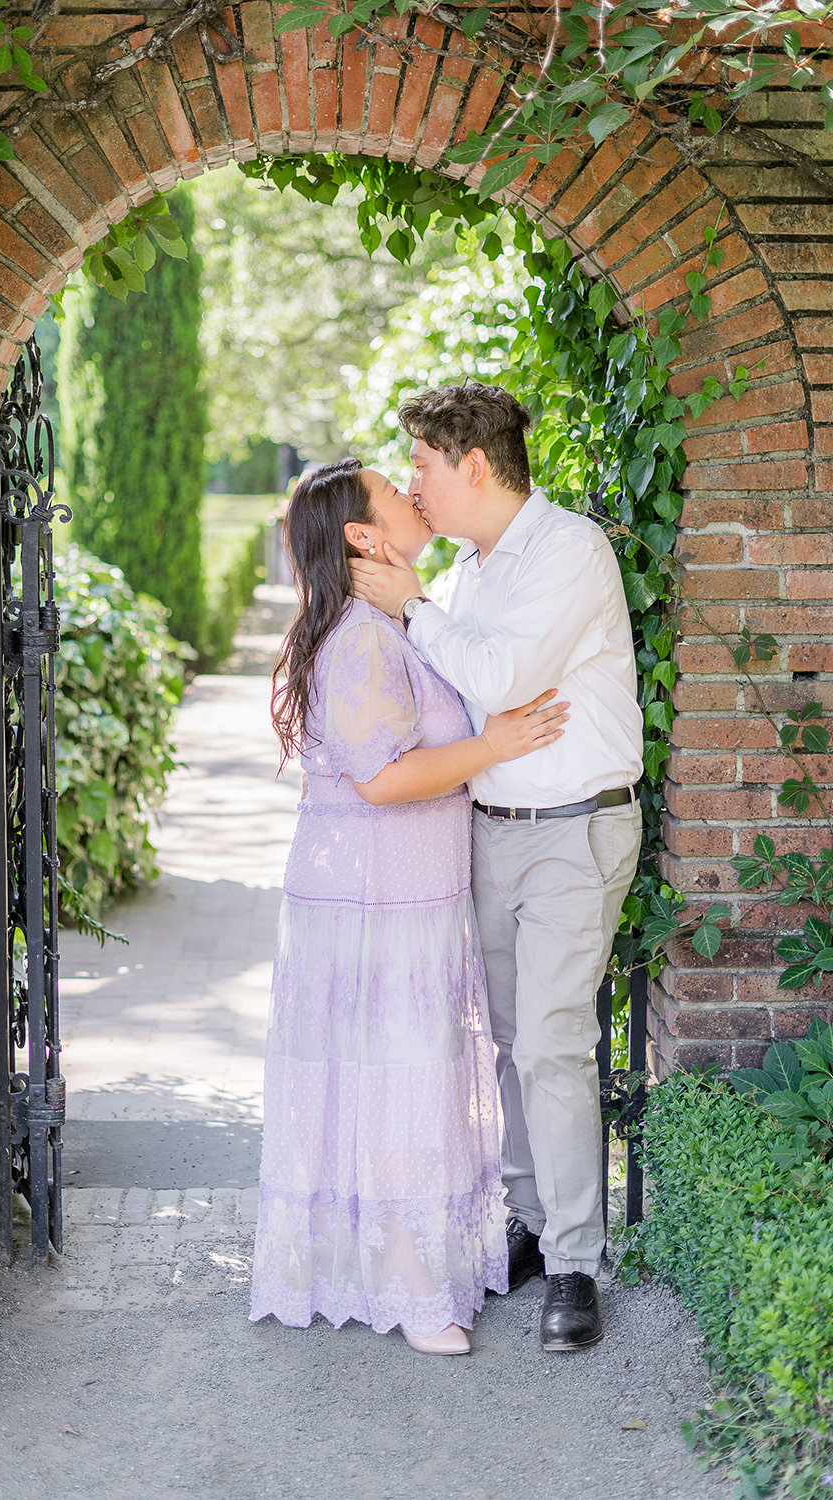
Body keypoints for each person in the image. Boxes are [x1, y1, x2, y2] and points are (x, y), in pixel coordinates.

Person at [249, 457, 569, 1355]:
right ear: (363, 535)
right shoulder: (355, 636)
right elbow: (385, 779)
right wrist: (496, 742)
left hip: (411, 894)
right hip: (370, 899)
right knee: (395, 1077)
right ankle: (409, 1287)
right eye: (397, 492)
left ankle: (412, 1266)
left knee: (408, 1074)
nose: (414, 495)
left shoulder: (395, 619)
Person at [350, 384, 644, 1352]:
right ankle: (532, 1219)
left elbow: (503, 680)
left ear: (473, 464)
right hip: (488, 828)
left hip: (573, 829)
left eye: (424, 466)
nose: (413, 486)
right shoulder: (469, 574)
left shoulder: (569, 551)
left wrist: (414, 606)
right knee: (511, 1038)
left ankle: (573, 1264)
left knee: (553, 1041)